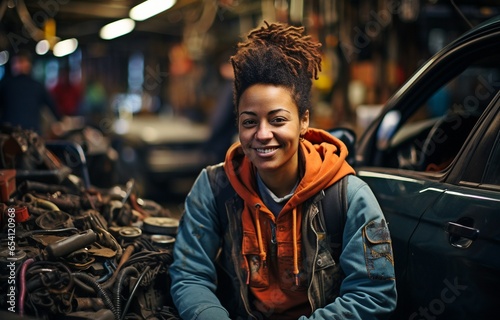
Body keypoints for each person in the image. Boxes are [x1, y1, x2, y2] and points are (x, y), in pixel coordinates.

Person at [169, 21, 397, 320]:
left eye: (277, 120)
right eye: (249, 122)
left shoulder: (348, 196)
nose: (262, 134)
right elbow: (190, 275)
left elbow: (372, 294)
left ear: (304, 121)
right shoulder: (213, 187)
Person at [0, 50, 61, 135]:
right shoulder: (5, 85)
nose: (17, 65)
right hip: (30, 135)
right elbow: (54, 109)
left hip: (12, 136)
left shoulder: (5, 84)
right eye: (15, 62)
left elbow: (52, 107)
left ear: (28, 64)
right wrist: (60, 121)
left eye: (20, 61)